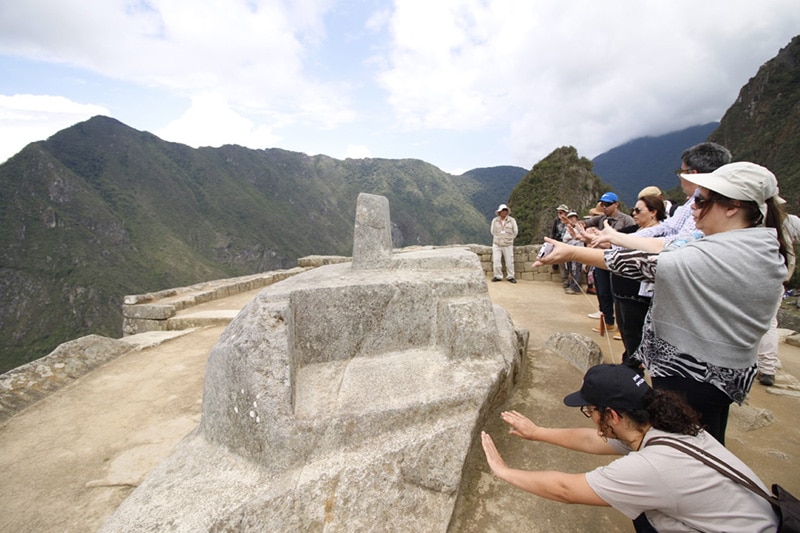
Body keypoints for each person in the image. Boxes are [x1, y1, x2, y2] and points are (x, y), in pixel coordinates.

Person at [534, 162, 788, 444]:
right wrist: (613, 237)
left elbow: (646, 265)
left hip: (693, 375)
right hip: (719, 373)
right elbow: (668, 245)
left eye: (701, 200)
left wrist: (572, 253)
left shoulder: (724, 256)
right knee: (708, 437)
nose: (692, 208)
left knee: (684, 445)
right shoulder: (753, 244)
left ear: (732, 207)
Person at [481, 364, 779, 532]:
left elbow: (565, 489)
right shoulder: (665, 425)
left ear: (611, 415)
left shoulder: (649, 468)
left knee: (640, 511)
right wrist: (537, 433)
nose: (591, 418)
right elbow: (593, 440)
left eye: (590, 411)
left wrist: (504, 472)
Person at [611, 195, 666, 363]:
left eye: (638, 210)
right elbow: (612, 239)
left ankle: (634, 368)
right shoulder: (633, 232)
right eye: (632, 210)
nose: (634, 214)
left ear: (653, 212)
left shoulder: (661, 236)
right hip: (621, 291)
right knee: (626, 330)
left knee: (634, 332)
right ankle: (630, 361)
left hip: (638, 295)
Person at [581, 192, 634, 333]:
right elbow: (584, 223)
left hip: (619, 261)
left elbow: (632, 240)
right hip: (602, 260)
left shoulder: (627, 220)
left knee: (618, 294)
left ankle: (621, 328)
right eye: (602, 204)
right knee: (603, 292)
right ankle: (608, 322)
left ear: (616, 204)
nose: (604, 207)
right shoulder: (601, 219)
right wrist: (575, 224)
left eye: (607, 204)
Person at [757, 212, 800, 385]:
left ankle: (747, 365)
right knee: (769, 324)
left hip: (753, 275)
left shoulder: (754, 218)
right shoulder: (789, 220)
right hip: (777, 276)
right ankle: (767, 368)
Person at [491, 204, 518, 283]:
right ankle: (497, 276)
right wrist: (498, 237)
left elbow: (515, 231)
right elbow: (492, 231)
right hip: (497, 243)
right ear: (499, 212)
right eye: (502, 211)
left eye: (505, 210)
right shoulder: (495, 221)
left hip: (508, 244)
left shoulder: (512, 220)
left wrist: (509, 239)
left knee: (509, 261)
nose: (504, 212)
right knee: (496, 260)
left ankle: (510, 276)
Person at [562, 211, 584, 294]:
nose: (572, 218)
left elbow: (578, 236)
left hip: (578, 251)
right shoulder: (567, 228)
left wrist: (572, 237)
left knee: (577, 269)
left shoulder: (579, 226)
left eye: (573, 217)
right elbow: (565, 238)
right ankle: (572, 285)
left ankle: (576, 288)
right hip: (570, 251)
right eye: (570, 217)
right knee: (571, 269)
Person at [551, 205, 571, 289]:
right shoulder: (556, 221)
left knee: (570, 263)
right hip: (559, 243)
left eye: (561, 212)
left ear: (566, 213)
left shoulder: (570, 221)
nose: (559, 213)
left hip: (568, 244)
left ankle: (571, 280)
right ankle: (565, 280)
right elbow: (553, 232)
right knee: (561, 262)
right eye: (558, 212)